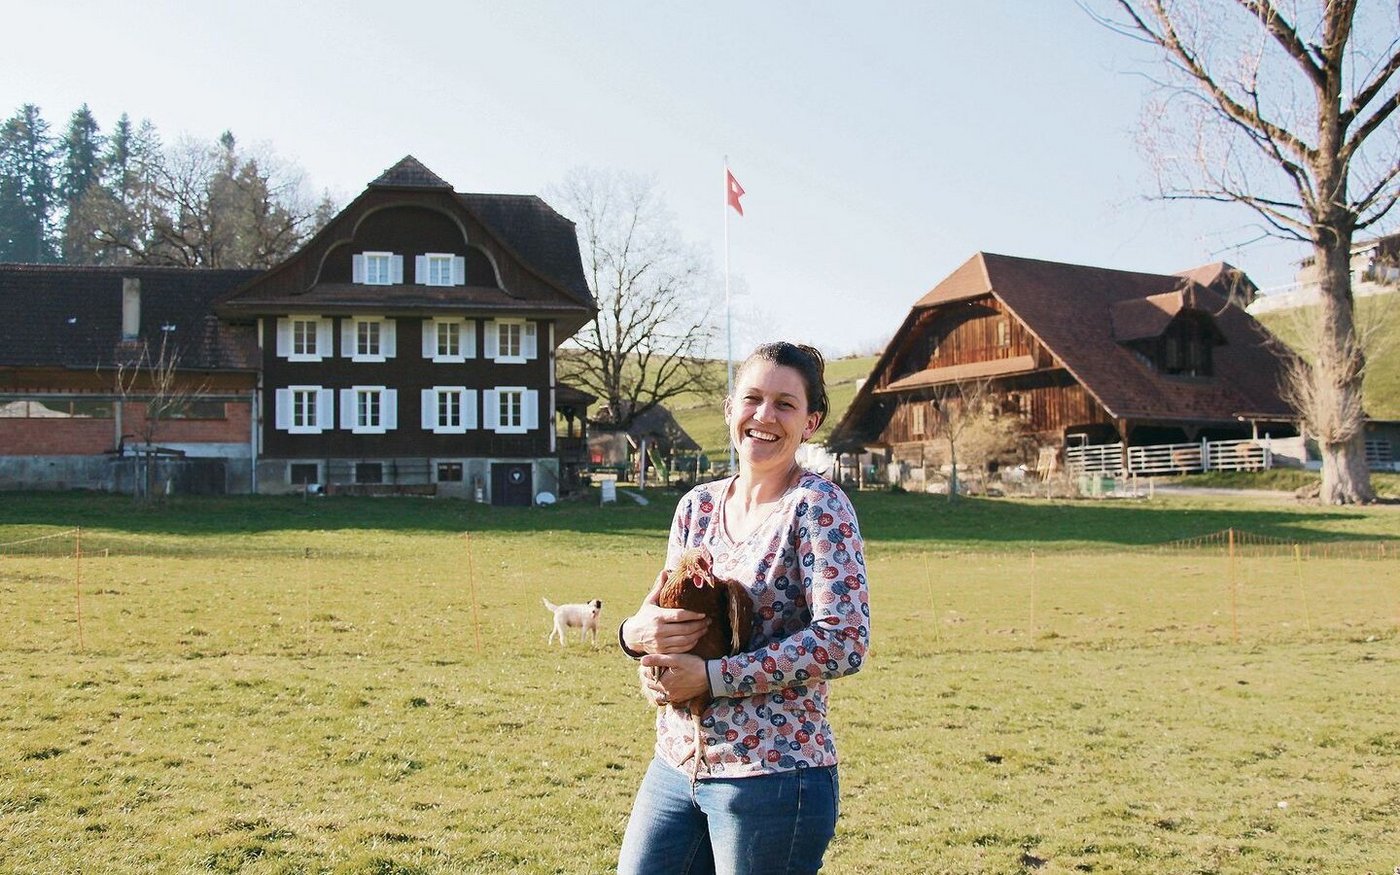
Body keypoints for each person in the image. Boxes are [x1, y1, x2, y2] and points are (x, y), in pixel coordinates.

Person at [616, 341, 870, 875]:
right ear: (731, 409)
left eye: (785, 404)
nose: (764, 416)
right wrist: (634, 639)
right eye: (752, 398)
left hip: (774, 773)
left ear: (811, 422)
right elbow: (662, 614)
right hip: (677, 761)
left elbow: (843, 640)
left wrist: (712, 676)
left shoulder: (817, 507)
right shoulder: (697, 506)